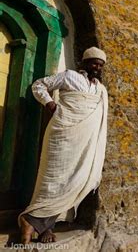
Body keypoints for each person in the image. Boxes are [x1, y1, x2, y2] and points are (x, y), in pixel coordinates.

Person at [18, 47, 109, 244]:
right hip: (62, 135)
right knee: (52, 180)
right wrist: (50, 104)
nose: (97, 67)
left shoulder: (100, 89)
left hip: (85, 142)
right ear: (83, 62)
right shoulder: (69, 76)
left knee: (74, 181)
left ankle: (44, 229)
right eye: (93, 62)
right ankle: (29, 219)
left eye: (100, 65)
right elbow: (39, 85)